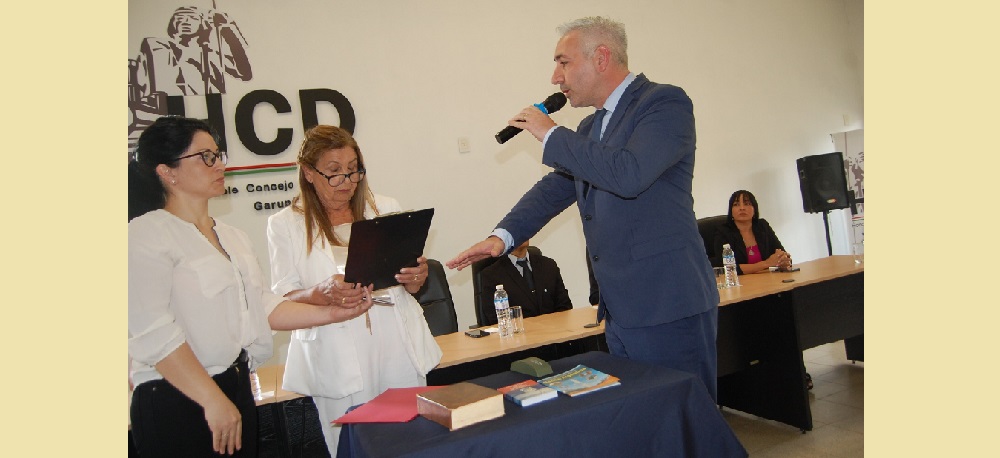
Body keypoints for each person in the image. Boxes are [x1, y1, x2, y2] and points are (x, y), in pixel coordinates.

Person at [447, 16, 721, 401]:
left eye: (563, 62)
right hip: (619, 311)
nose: (555, 78)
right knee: (643, 422)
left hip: (668, 305)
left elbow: (629, 173)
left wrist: (550, 133)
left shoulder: (663, 103)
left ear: (601, 58)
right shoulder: (590, 128)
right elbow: (554, 189)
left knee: (686, 417)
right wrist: (502, 237)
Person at [128, 117, 371, 457]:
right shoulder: (145, 235)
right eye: (206, 157)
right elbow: (154, 335)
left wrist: (334, 313)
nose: (219, 165)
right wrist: (211, 399)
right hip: (177, 395)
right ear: (167, 172)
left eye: (218, 155)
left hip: (235, 385)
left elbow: (263, 306)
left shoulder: (232, 237)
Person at [266, 125, 443, 454]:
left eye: (353, 170)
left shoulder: (385, 207)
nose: (346, 182)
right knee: (353, 446)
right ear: (308, 172)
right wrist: (319, 292)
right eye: (334, 172)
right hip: (336, 352)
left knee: (413, 443)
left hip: (396, 344)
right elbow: (283, 298)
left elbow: (412, 284)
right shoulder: (285, 224)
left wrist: (415, 277)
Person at [477, 239, 573, 325]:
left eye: (524, 231)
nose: (522, 235)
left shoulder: (548, 265)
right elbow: (495, 318)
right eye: (517, 231)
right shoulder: (492, 274)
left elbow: (565, 306)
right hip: (519, 335)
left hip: (554, 332)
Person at [712, 190, 793, 274]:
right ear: (731, 211)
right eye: (736, 204)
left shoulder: (762, 226)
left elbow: (781, 253)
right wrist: (766, 263)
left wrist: (783, 260)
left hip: (767, 278)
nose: (742, 208)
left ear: (754, 209)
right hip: (740, 281)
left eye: (747, 204)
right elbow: (727, 268)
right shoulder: (723, 232)